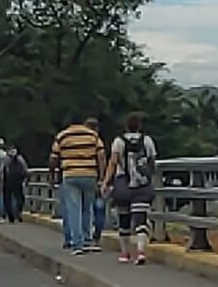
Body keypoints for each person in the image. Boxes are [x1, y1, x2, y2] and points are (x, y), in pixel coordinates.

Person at [102, 113, 157, 265]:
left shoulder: (118, 141)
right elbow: (152, 162)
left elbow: (113, 163)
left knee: (124, 219)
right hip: (142, 185)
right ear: (140, 126)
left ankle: (125, 253)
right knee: (141, 220)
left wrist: (105, 182)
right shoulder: (147, 140)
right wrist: (149, 177)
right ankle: (140, 251)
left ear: (126, 126)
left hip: (123, 184)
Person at [50, 116, 106, 256]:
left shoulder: (62, 135)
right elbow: (101, 155)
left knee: (74, 209)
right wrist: (102, 176)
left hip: (70, 174)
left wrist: (53, 175)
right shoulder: (92, 135)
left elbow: (54, 158)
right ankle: (88, 240)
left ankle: (77, 244)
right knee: (87, 209)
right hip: (90, 174)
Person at [85, 117, 108, 249]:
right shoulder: (97, 141)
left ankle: (85, 235)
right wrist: (103, 178)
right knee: (99, 207)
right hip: (96, 178)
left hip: (82, 176)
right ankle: (96, 236)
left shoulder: (81, 141)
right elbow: (102, 159)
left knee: (85, 208)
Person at [0, 145, 29, 223]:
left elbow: (1, 171)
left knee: (7, 199)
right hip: (18, 181)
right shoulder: (20, 159)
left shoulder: (6, 159)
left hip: (8, 181)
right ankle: (18, 212)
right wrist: (26, 178)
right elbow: (25, 169)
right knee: (19, 197)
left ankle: (10, 215)